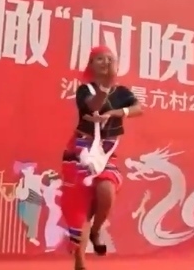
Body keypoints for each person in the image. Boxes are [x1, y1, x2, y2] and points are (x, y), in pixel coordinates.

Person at [60, 46, 143, 270]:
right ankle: (80, 261)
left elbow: (138, 109)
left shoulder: (122, 92)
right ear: (91, 65)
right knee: (80, 204)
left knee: (107, 189)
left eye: (109, 59)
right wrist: (106, 86)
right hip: (81, 150)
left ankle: (96, 230)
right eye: (100, 59)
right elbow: (94, 105)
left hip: (105, 152)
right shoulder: (84, 89)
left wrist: (117, 112)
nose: (105, 62)